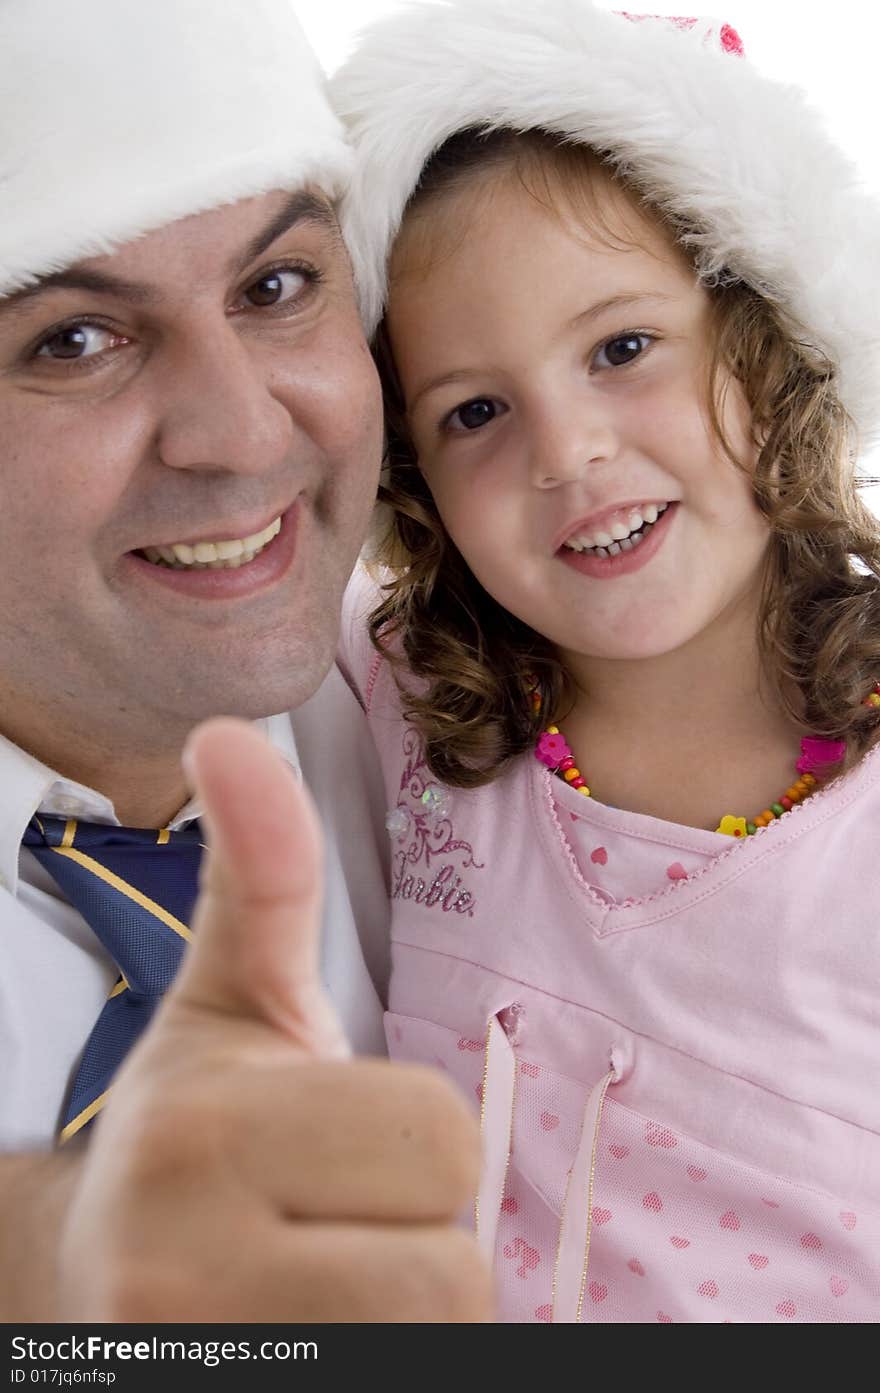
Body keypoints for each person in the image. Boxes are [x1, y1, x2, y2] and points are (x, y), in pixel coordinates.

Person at [332, 0, 880, 1322]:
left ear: (766, 339)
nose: (566, 450)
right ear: (416, 478)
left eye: (623, 348)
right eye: (475, 410)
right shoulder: (408, 702)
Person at [0, 0, 489, 1323]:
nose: (237, 433)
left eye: (275, 288)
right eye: (72, 338)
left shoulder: (474, 730)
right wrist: (53, 1257)